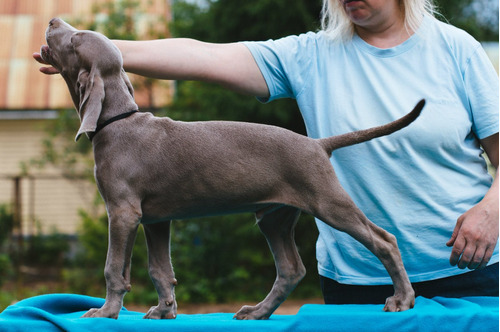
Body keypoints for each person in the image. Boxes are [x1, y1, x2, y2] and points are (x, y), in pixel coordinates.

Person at [34, 0, 499, 304]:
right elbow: (200, 56)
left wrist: (492, 210)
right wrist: (95, 52)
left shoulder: (456, 48)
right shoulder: (309, 54)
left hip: (473, 270)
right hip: (357, 285)